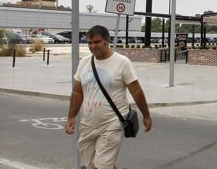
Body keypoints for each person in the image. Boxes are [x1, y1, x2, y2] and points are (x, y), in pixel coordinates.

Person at [64, 25, 152, 169]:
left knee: (102, 165)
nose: (93, 46)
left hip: (113, 122)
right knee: (91, 165)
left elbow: (136, 91)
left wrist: (146, 115)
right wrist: (71, 117)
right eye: (89, 43)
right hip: (88, 124)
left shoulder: (122, 62)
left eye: (97, 42)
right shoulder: (85, 62)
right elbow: (77, 92)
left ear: (107, 41)